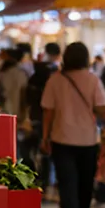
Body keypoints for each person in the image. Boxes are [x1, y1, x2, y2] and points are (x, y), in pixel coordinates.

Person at [41, 42, 105, 208]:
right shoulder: (93, 80)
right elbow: (102, 109)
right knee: (86, 183)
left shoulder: (55, 80)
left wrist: (45, 137)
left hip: (61, 138)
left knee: (67, 183)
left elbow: (48, 112)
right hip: (87, 140)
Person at [25, 42, 61, 185]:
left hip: (35, 117)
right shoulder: (54, 79)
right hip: (51, 119)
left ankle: (37, 177)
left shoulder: (34, 78)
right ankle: (48, 179)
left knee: (34, 149)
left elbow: (27, 99)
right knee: (48, 152)